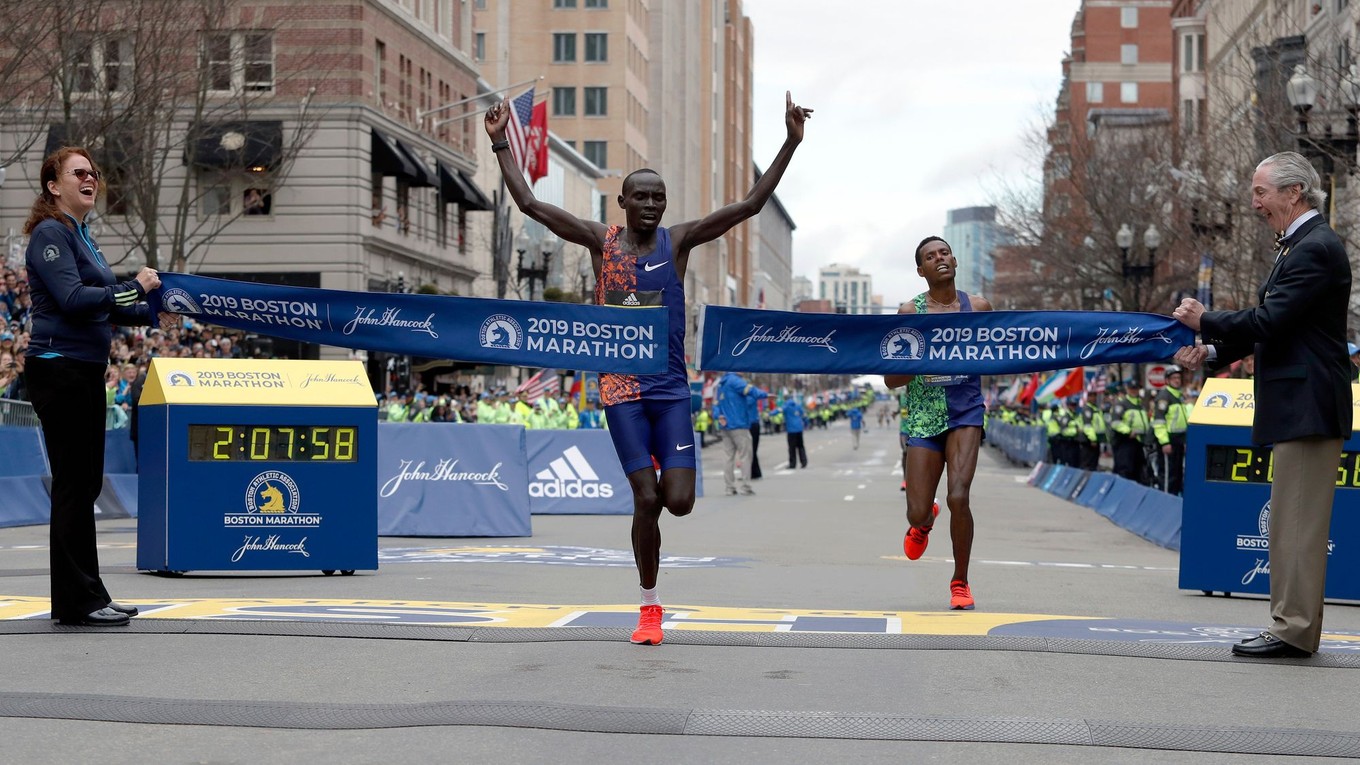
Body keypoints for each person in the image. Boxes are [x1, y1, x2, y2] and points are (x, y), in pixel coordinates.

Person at [486, 90, 811, 646]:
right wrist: (499, 144)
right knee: (645, 499)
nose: (652, 205)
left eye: (659, 197)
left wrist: (790, 141)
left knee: (678, 502)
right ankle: (649, 606)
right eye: (641, 196)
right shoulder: (600, 241)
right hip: (620, 390)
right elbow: (532, 206)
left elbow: (751, 205)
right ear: (622, 201)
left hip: (669, 391)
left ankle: (664, 474)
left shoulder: (677, 242)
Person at [1173, 151, 1351, 659]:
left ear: (1293, 193)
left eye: (1260, 192)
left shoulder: (1314, 247)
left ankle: (1293, 629)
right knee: (1293, 526)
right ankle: (1296, 626)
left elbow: (1270, 320)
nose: (1253, 203)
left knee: (1296, 526)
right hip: (1301, 405)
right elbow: (1278, 329)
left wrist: (1206, 321)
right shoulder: (1301, 245)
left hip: (1308, 406)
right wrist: (1209, 351)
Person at [23, 147, 162, 627]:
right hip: (58, 369)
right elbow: (75, 299)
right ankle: (76, 602)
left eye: (94, 173)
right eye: (79, 173)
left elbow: (111, 305)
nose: (91, 179)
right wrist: (136, 289)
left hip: (83, 371)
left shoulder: (81, 235)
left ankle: (88, 594)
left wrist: (157, 306)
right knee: (73, 488)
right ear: (53, 185)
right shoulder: (49, 233)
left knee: (83, 486)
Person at [884, 235, 990, 611]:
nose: (939, 258)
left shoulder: (978, 307)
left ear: (955, 261)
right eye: (930, 256)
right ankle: (923, 522)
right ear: (921, 270)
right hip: (925, 419)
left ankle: (960, 582)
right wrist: (923, 361)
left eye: (944, 252)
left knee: (959, 496)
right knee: (916, 510)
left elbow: (1000, 354)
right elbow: (891, 379)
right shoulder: (909, 314)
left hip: (965, 414)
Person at [715, 370, 768, 496]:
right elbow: (751, 391)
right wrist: (765, 394)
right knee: (745, 456)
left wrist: (719, 416)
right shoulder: (736, 381)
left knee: (728, 457)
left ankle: (729, 487)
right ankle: (745, 486)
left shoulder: (721, 384)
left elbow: (716, 405)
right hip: (739, 424)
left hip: (725, 425)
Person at [1150, 366, 1189, 495]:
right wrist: (1165, 442)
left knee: (1177, 474)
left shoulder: (1179, 396)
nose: (1177, 380)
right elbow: (1159, 422)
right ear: (1167, 380)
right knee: (1168, 475)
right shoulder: (1164, 396)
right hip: (1169, 441)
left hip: (1179, 441)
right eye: (1174, 378)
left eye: (1178, 377)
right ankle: (1166, 502)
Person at [1109, 379, 1149, 482]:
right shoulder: (1122, 404)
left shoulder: (1140, 405)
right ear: (1127, 389)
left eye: (1136, 388)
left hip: (1139, 442)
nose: (1134, 391)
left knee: (1139, 469)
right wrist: (1128, 431)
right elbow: (1115, 423)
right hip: (1125, 441)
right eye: (1132, 388)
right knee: (1125, 469)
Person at [782, 395, 808, 469]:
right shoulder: (798, 406)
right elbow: (804, 415)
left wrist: (770, 414)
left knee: (792, 448)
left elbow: (778, 410)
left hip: (791, 430)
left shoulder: (786, 406)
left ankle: (792, 464)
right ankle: (804, 462)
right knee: (801, 446)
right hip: (799, 429)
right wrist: (806, 424)